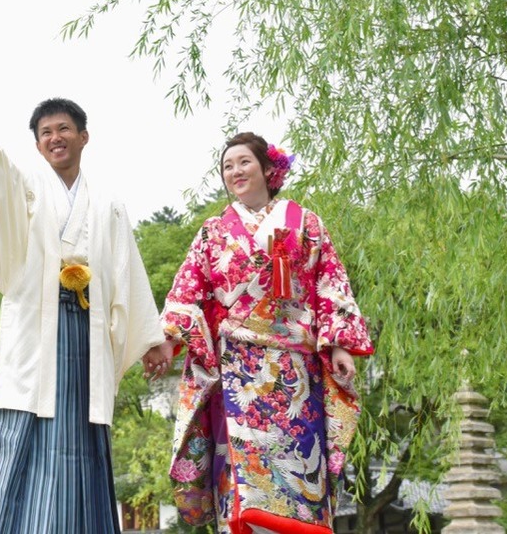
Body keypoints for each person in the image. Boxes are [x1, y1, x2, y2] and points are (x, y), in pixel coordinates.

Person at [0, 56, 174, 534]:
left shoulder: (110, 206)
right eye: (45, 133)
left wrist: (152, 339)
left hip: (86, 332)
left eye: (64, 129)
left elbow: (130, 274)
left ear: (84, 136)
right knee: (29, 423)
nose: (55, 138)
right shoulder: (26, 189)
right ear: (38, 145)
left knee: (82, 429)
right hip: (35, 333)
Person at [160, 132, 373, 534]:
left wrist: (340, 344)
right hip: (236, 370)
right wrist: (168, 339)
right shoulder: (213, 231)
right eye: (227, 166)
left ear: (267, 169)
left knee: (300, 480)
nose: (235, 171)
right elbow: (187, 293)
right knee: (241, 488)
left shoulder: (306, 222)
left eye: (244, 162)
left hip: (295, 374)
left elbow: (330, 284)